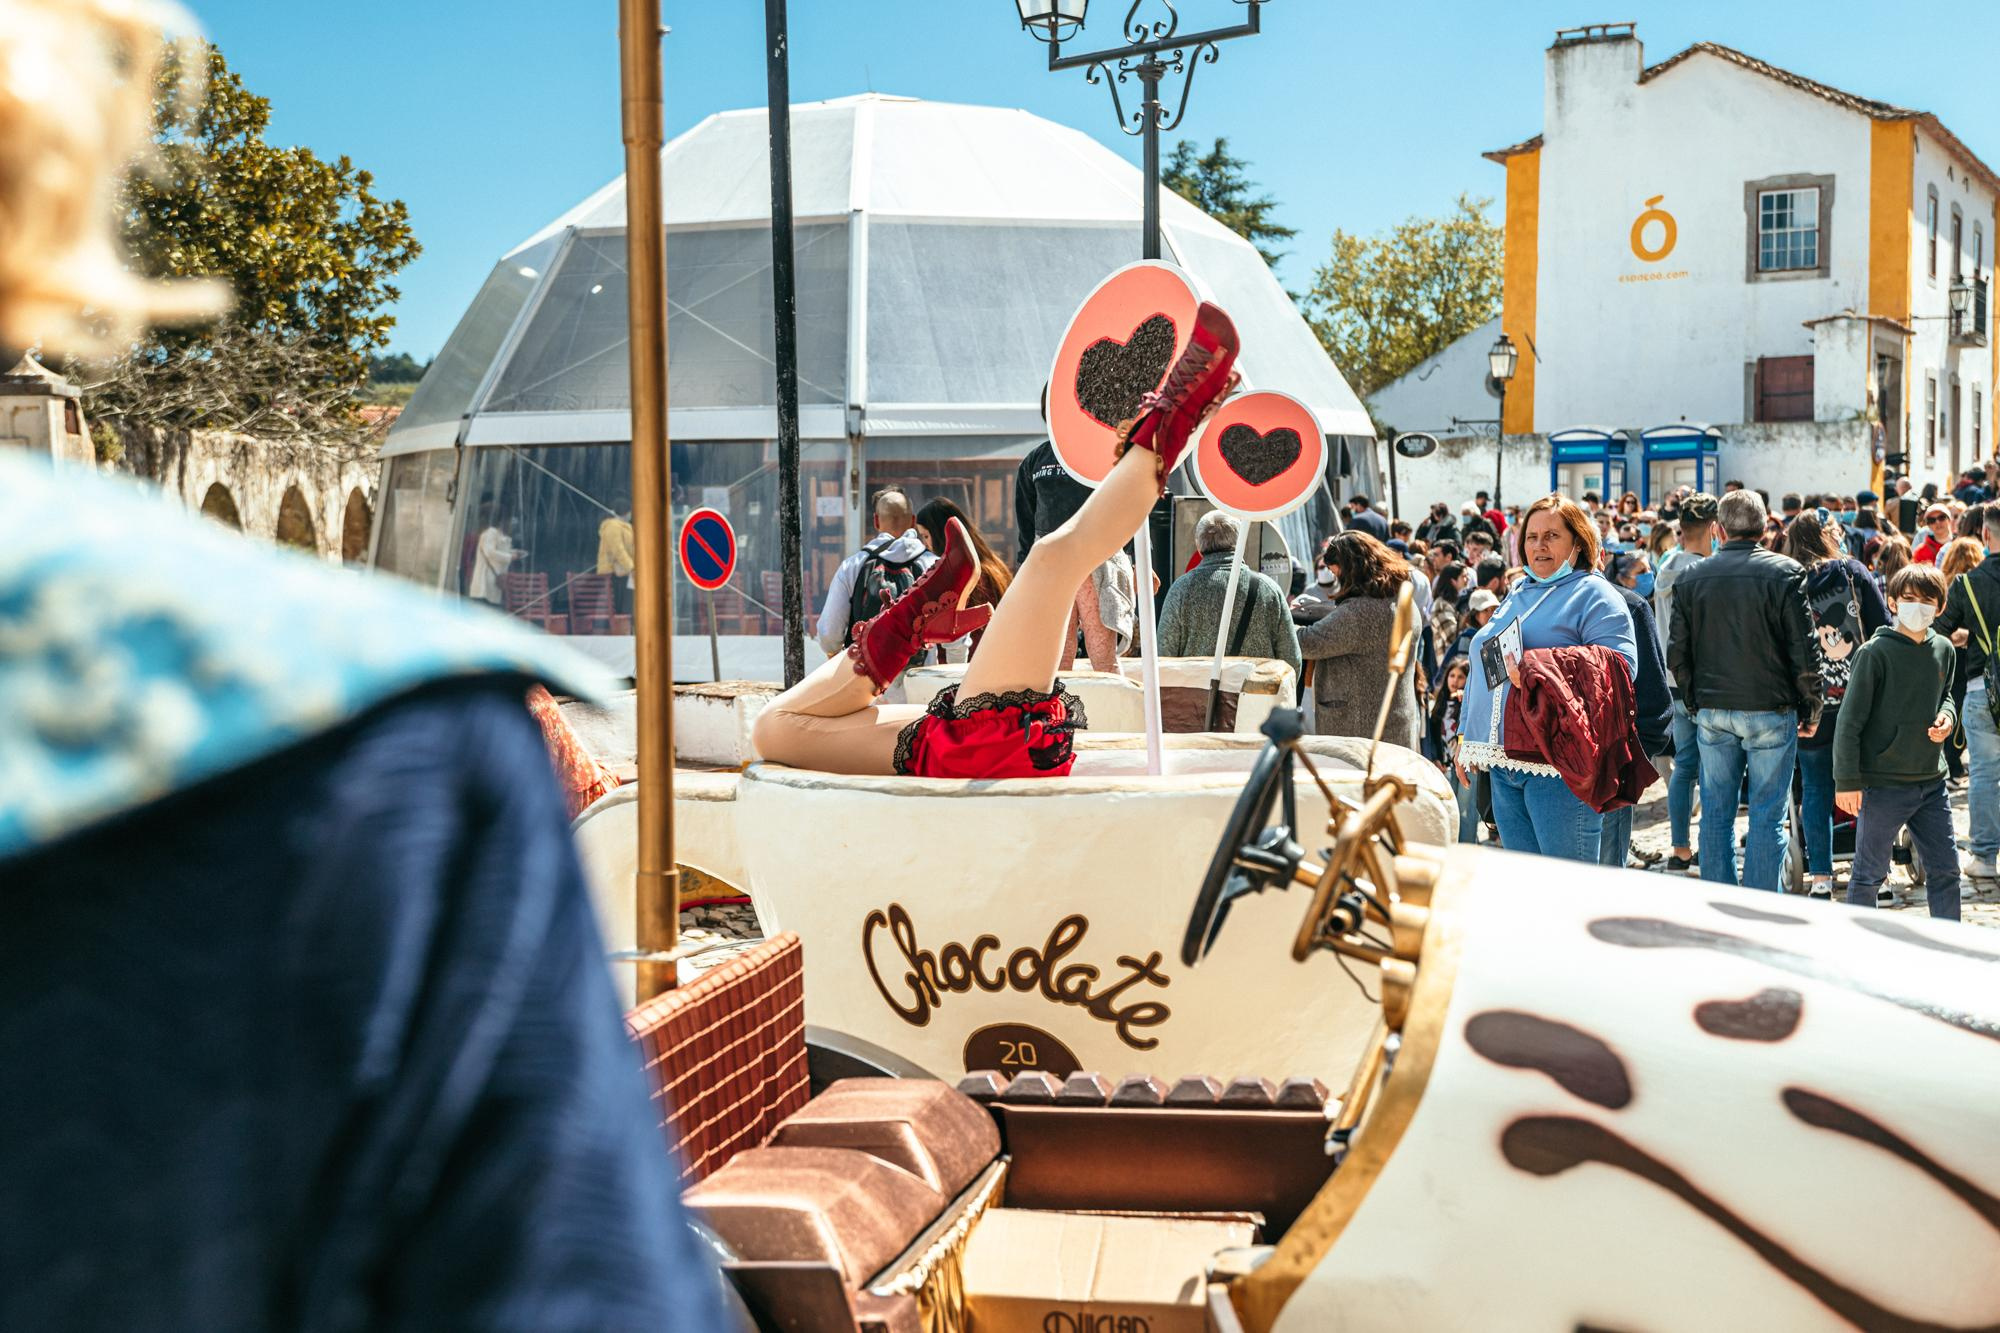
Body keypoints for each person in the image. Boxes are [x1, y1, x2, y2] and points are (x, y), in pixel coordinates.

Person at [754, 302, 1242, 777]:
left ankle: (915, 620)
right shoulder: (1037, 460)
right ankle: (1181, 409)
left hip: (963, 741)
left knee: (773, 729)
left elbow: (805, 720)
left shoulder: (826, 739)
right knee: (1056, 556)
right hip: (967, 743)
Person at [1455, 495, 1639, 862]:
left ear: (1577, 542)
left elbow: (1620, 669)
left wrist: (1538, 668)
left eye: (1552, 536)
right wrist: (1465, 735)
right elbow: (1484, 665)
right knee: (1528, 891)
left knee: (1569, 890)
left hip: (1559, 766)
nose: (1539, 545)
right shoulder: (1519, 590)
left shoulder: (1595, 594)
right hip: (1504, 764)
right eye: (1531, 536)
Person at [1669, 489, 1823, 891]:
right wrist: (1812, 707)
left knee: (1717, 814)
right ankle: (1758, 904)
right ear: (1765, 524)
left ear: (1718, 529)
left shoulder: (1692, 578)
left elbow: (1678, 652)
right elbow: (1803, 648)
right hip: (1769, 707)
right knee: (1766, 816)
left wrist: (1694, 701)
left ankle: (1722, 903)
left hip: (1716, 708)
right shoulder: (1784, 572)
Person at [1834, 563, 1962, 918]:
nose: (1917, 606)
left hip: (1932, 783)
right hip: (1883, 785)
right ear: (1892, 602)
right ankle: (1859, 942)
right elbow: (1849, 722)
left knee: (1946, 870)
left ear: (1939, 606)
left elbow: (1946, 695)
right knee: (1868, 875)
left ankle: (1948, 942)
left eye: (1926, 600)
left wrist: (1947, 718)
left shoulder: (1944, 649)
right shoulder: (1874, 653)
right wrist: (1847, 781)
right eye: (1908, 599)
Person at [1786, 511, 1889, 899]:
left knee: (1814, 789)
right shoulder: (1853, 572)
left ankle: (1822, 879)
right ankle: (1873, 875)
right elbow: (1882, 626)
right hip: (1859, 697)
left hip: (1811, 702)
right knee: (1870, 784)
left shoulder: (1788, 579)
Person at [1016, 392, 1127, 673]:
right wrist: (1023, 571)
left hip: (1097, 557)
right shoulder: (1035, 460)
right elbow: (1026, 522)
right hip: (1051, 560)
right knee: (1056, 659)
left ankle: (1114, 715)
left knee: (1103, 656)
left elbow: (1127, 505)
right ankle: (1057, 716)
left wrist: (1137, 560)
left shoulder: (1102, 452)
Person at [1297, 531, 1422, 748]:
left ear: (1351, 570)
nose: (1337, 582)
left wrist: (1287, 620)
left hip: (1359, 735)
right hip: (1396, 726)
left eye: (1338, 575)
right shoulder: (1403, 601)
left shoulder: (1359, 612)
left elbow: (1308, 642)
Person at [1652, 492, 1716, 874]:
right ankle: (1708, 844)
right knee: (1709, 765)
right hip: (1703, 680)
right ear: (1713, 528)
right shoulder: (1703, 571)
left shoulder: (1666, 567)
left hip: (1672, 679)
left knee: (1685, 765)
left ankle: (1679, 848)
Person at [1937, 504, 2000, 885]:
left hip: (1982, 688)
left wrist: (1967, 635)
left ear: (1986, 536)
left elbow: (1940, 630)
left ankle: (1985, 856)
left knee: (1984, 775)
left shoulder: (1967, 584)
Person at [1158, 509, 1301, 674]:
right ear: (1240, 542)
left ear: (1198, 546)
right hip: (1256, 697)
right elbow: (1291, 660)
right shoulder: (1268, 589)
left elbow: (1164, 656)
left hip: (1198, 697)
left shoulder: (1180, 590)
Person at [1599, 551, 1670, 870]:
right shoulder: (1628, 605)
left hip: (1612, 756)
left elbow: (1652, 691)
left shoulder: (1632, 605)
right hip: (1610, 757)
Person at [815, 487, 934, 659]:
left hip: (866, 677)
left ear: (876, 521)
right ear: (913, 521)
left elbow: (829, 636)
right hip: (918, 679)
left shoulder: (853, 566)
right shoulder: (932, 564)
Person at [915, 497, 1013, 659]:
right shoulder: (993, 567)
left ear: (941, 535)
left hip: (969, 667)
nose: (924, 544)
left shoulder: (961, 575)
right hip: (995, 660)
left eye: (926, 536)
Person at [1429, 656, 1481, 842]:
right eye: (1452, 675)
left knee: (1466, 811)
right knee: (1449, 811)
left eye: (1460, 676)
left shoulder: (1468, 704)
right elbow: (1433, 735)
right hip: (1445, 767)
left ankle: (1465, 850)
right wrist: (1435, 758)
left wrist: (1465, 702)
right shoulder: (1439, 705)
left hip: (1467, 764)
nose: (1455, 680)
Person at [469, 508, 525, 606]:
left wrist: (515, 553)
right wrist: (510, 557)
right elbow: (490, 552)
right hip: (484, 584)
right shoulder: (490, 533)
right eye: (511, 522)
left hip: (495, 584)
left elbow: (500, 551)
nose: (512, 526)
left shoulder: (501, 536)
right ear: (502, 522)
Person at [597, 495, 636, 613]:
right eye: (629, 511)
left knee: (629, 606)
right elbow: (618, 550)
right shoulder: (612, 526)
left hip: (624, 573)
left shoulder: (626, 527)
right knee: (621, 608)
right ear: (625, 511)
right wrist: (632, 567)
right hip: (614, 574)